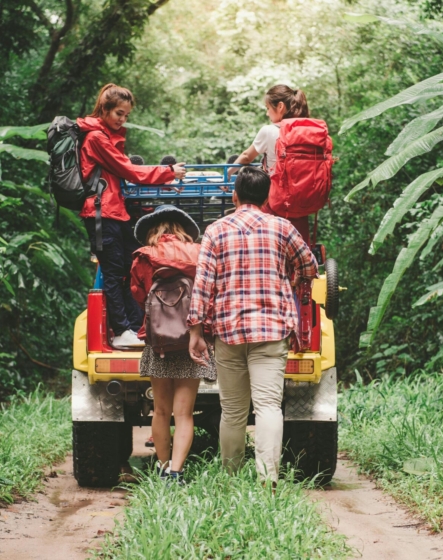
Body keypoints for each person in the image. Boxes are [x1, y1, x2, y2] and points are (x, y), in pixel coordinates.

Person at [187, 167, 318, 483]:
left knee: (232, 411)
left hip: (229, 333)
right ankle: (268, 478)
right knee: (269, 407)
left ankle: (231, 478)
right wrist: (293, 274)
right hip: (272, 330)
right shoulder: (282, 228)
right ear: (268, 196)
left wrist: (195, 331)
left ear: (234, 196)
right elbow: (311, 266)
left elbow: (203, 283)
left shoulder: (216, 230)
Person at [78, 84, 187, 349]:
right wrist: (168, 172)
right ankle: (121, 330)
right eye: (118, 113)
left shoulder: (104, 136)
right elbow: (130, 170)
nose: (122, 119)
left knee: (130, 265)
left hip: (114, 211)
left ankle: (134, 325)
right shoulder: (96, 138)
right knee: (114, 273)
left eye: (126, 115)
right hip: (101, 213)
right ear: (103, 109)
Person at [131, 205, 216, 484]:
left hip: (158, 342)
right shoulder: (198, 252)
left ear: (153, 230)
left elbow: (138, 294)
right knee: (184, 413)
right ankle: (176, 472)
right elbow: (208, 293)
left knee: (161, 410)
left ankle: (162, 465)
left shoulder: (144, 256)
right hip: (191, 338)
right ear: (182, 229)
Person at [228, 84, 312, 242]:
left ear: (280, 107)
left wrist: (228, 173)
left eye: (268, 108)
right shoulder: (308, 132)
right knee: (300, 247)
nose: (267, 113)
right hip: (303, 202)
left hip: (276, 202)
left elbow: (246, 156)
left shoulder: (270, 131)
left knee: (269, 247)